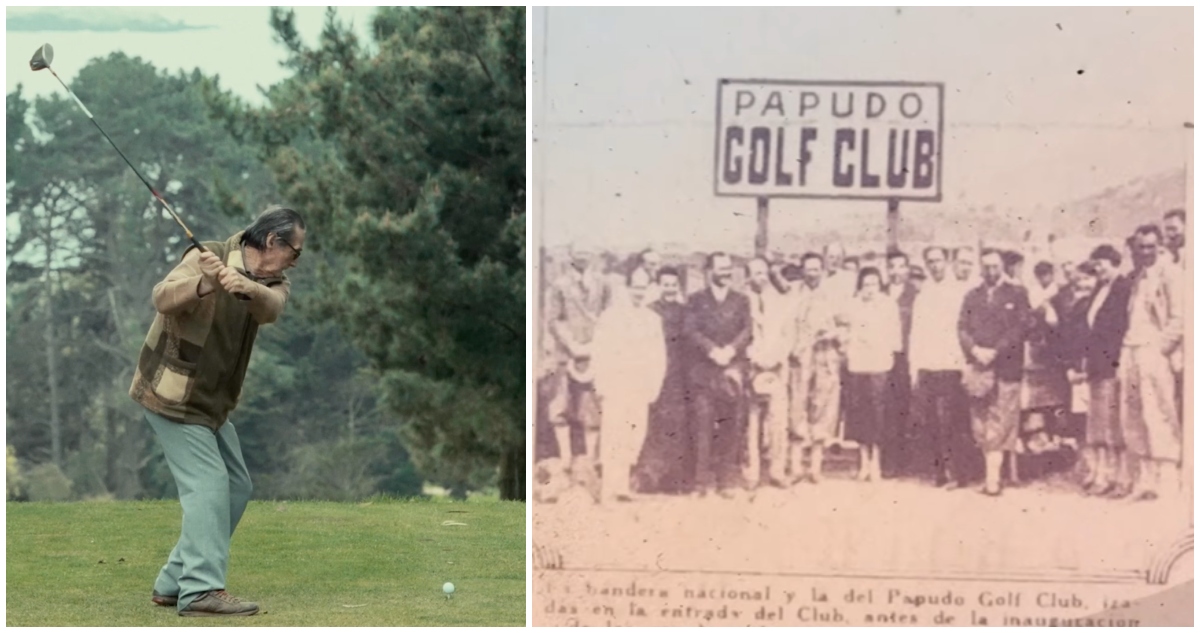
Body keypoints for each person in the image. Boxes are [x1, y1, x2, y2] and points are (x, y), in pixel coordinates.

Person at [130, 205, 305, 616]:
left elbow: (270, 308)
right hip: (172, 397)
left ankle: (174, 581)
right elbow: (162, 297)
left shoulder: (275, 282)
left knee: (237, 487)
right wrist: (205, 284)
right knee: (208, 487)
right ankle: (200, 590)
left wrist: (242, 286)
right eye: (295, 251)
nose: (296, 260)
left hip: (212, 404)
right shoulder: (204, 255)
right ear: (272, 242)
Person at [591, 267, 667, 503]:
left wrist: (654, 384)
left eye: (643, 288)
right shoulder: (610, 316)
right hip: (616, 383)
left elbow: (659, 355)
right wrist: (601, 382)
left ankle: (622, 485)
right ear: (626, 288)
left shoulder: (653, 319)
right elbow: (599, 351)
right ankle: (608, 488)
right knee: (614, 433)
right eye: (635, 287)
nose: (639, 293)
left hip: (640, 384)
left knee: (635, 434)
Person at [958, 249, 1031, 496]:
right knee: (979, 422)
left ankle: (993, 479)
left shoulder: (1017, 294)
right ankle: (990, 474)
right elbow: (962, 327)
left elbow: (1020, 328)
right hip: (978, 368)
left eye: (995, 266)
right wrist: (974, 349)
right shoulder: (972, 296)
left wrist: (995, 351)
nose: (991, 271)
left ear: (1003, 267)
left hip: (1005, 368)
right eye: (986, 266)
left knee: (1000, 423)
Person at [1120, 225, 1184, 501]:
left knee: (1158, 411)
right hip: (1131, 349)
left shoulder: (1170, 274)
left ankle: (1168, 480)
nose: (1145, 252)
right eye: (1140, 247)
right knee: (1132, 415)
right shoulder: (1136, 277)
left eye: (1150, 247)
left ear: (1158, 247)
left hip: (1153, 351)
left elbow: (1181, 317)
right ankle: (1145, 480)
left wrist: (1160, 348)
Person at [685, 252, 752, 498]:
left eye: (728, 268)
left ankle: (727, 481)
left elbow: (747, 329)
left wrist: (732, 350)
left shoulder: (741, 300)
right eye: (721, 268)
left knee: (730, 426)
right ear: (709, 271)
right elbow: (690, 330)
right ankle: (701, 482)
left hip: (731, 371)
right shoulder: (695, 300)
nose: (726, 272)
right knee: (702, 426)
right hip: (704, 372)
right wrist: (712, 350)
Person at [543, 249, 608, 501]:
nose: (582, 255)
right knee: (560, 406)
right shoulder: (558, 286)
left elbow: (606, 317)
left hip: (594, 353)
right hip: (565, 354)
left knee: (592, 410)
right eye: (577, 250)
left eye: (587, 250)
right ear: (570, 254)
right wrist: (573, 346)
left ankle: (590, 461)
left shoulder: (602, 284)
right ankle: (566, 459)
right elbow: (554, 320)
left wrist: (592, 347)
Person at [909, 246, 971, 488]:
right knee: (932, 421)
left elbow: (962, 331)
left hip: (951, 365)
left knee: (952, 421)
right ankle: (941, 471)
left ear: (947, 262)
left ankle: (958, 472)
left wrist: (963, 364)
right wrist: (915, 367)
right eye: (930, 261)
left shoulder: (957, 292)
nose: (935, 265)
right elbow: (917, 333)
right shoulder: (923, 296)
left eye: (939, 260)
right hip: (928, 365)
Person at [1075, 247, 1133, 497]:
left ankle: (1121, 477)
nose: (1097, 269)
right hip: (1097, 365)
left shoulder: (1124, 288)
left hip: (1114, 363)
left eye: (1101, 264)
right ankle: (1102, 474)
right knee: (1098, 422)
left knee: (1113, 423)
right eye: (1095, 265)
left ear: (1114, 263)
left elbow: (1120, 328)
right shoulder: (1100, 289)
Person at [786, 254, 843, 484]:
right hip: (800, 358)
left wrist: (833, 334)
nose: (813, 273)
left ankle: (816, 466)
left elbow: (846, 325)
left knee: (822, 408)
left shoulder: (833, 296)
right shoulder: (792, 294)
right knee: (797, 407)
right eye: (808, 269)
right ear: (802, 271)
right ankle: (795, 465)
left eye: (817, 269)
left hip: (825, 356)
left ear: (823, 270)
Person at [638, 266, 692, 494]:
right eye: (665, 284)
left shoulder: (685, 311)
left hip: (679, 375)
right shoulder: (650, 311)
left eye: (673, 285)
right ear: (658, 286)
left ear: (677, 286)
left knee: (678, 424)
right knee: (655, 425)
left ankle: (675, 479)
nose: (669, 288)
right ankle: (651, 478)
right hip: (655, 373)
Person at [843, 267, 900, 483]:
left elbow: (894, 336)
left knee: (878, 413)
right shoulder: (854, 305)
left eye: (874, 284)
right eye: (866, 285)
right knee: (859, 413)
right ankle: (863, 461)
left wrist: (883, 351)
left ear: (880, 285)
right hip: (858, 364)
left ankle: (876, 461)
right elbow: (848, 333)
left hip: (879, 364)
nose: (870, 289)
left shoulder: (887, 305)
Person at [744, 258, 794, 487]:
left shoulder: (781, 302)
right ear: (748, 276)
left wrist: (775, 358)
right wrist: (755, 358)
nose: (761, 277)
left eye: (764, 273)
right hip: (752, 368)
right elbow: (741, 334)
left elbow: (788, 335)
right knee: (752, 423)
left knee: (777, 421)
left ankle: (777, 470)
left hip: (776, 368)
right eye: (756, 273)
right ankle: (752, 472)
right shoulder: (742, 302)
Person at [885, 250, 919, 477]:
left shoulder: (915, 295)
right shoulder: (879, 292)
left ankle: (902, 460)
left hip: (905, 358)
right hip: (881, 357)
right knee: (883, 406)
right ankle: (885, 459)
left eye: (901, 266)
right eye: (892, 267)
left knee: (903, 407)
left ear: (907, 269)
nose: (896, 271)